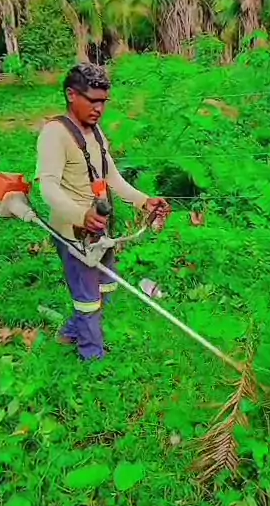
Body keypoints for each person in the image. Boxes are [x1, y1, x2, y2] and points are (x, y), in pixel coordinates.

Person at [36, 63, 170, 361]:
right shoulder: (54, 134)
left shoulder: (94, 131)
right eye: (92, 100)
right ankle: (93, 358)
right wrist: (80, 215)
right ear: (71, 95)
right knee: (87, 299)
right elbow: (48, 188)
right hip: (74, 233)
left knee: (107, 285)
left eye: (103, 102)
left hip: (100, 228)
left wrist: (143, 201)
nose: (99, 109)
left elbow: (110, 176)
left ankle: (72, 332)